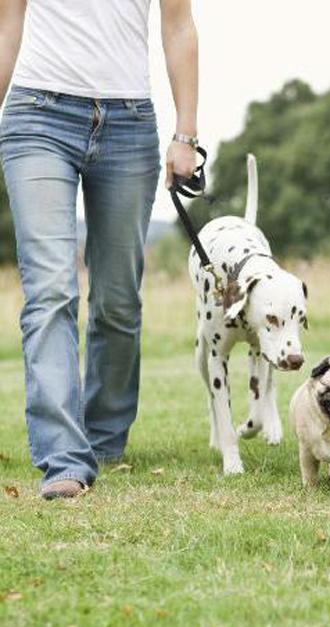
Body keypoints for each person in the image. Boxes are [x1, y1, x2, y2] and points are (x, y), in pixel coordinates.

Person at [0, 0, 200, 499]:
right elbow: (7, 22)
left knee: (117, 300)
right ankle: (63, 458)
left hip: (128, 123)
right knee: (51, 291)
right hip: (36, 116)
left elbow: (178, 25)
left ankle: (105, 440)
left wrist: (186, 134)